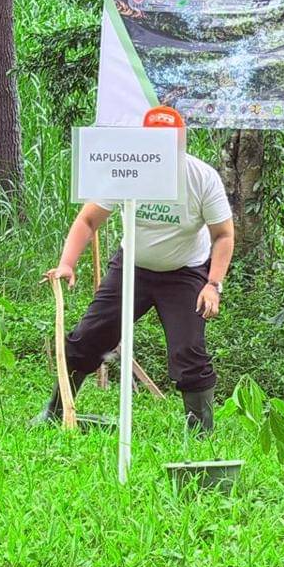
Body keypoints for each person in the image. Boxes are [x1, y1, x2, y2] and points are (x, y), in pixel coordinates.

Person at [32, 106, 235, 433]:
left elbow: (223, 234)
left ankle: (201, 434)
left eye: (171, 143)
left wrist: (213, 284)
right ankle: (55, 412)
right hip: (133, 267)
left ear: (182, 143)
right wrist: (67, 263)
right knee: (87, 337)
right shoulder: (128, 169)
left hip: (185, 272)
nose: (164, 151)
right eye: (156, 143)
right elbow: (88, 219)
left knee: (189, 352)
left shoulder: (201, 177)